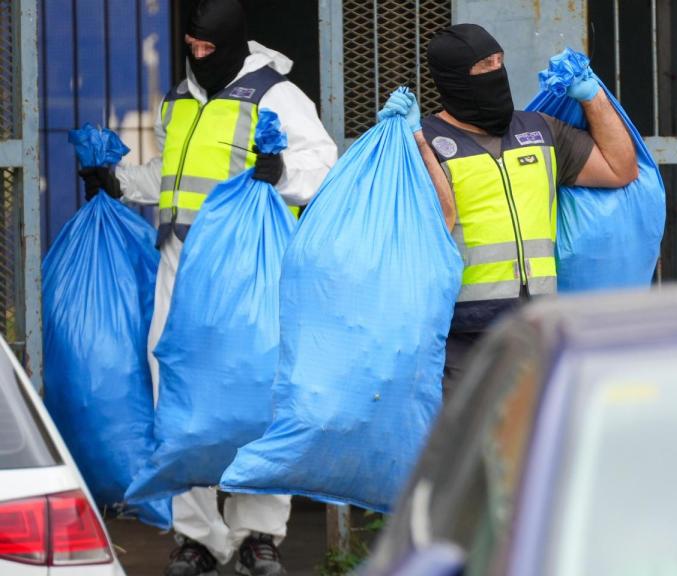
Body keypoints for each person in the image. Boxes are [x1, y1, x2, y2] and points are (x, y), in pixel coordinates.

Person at [77, 1, 336, 574]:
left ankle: (257, 536)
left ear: (234, 43)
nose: (197, 56)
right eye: (190, 46)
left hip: (246, 271)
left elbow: (322, 164)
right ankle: (195, 536)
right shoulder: (179, 98)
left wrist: (280, 172)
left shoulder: (278, 96)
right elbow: (170, 174)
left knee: (255, 395)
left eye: (207, 48)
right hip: (180, 261)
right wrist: (118, 181)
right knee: (177, 395)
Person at [377, 23, 638, 396]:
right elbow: (436, 220)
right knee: (471, 449)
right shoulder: (427, 140)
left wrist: (591, 94)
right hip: (462, 336)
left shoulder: (541, 131)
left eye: (500, 62)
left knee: (539, 446)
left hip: (538, 328)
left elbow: (620, 168)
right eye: (484, 66)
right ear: (453, 79)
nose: (496, 73)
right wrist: (416, 141)